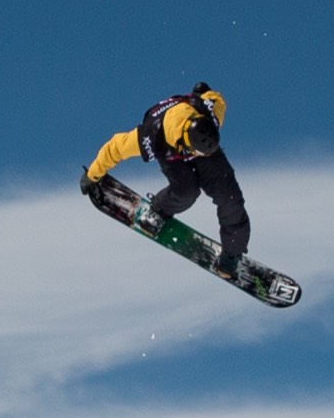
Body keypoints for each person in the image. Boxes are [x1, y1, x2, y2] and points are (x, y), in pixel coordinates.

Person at [87, 82, 248, 277]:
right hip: (172, 156)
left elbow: (218, 100)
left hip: (208, 151)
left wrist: (203, 91)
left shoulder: (208, 112)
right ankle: (159, 211)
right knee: (186, 191)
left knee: (229, 198)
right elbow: (115, 148)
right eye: (193, 152)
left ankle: (232, 255)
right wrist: (92, 175)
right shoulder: (151, 136)